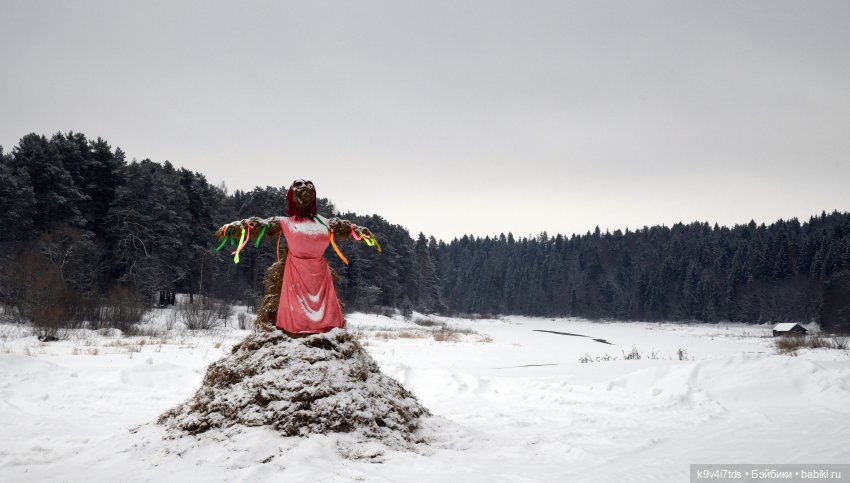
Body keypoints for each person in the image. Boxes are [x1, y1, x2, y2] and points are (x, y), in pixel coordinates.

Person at [218, 179, 374, 334]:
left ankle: (324, 334)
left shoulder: (326, 223)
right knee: (296, 314)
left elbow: (349, 228)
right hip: (296, 275)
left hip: (320, 276)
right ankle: (297, 333)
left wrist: (361, 231)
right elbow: (258, 225)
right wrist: (235, 228)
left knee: (326, 318)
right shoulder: (287, 222)